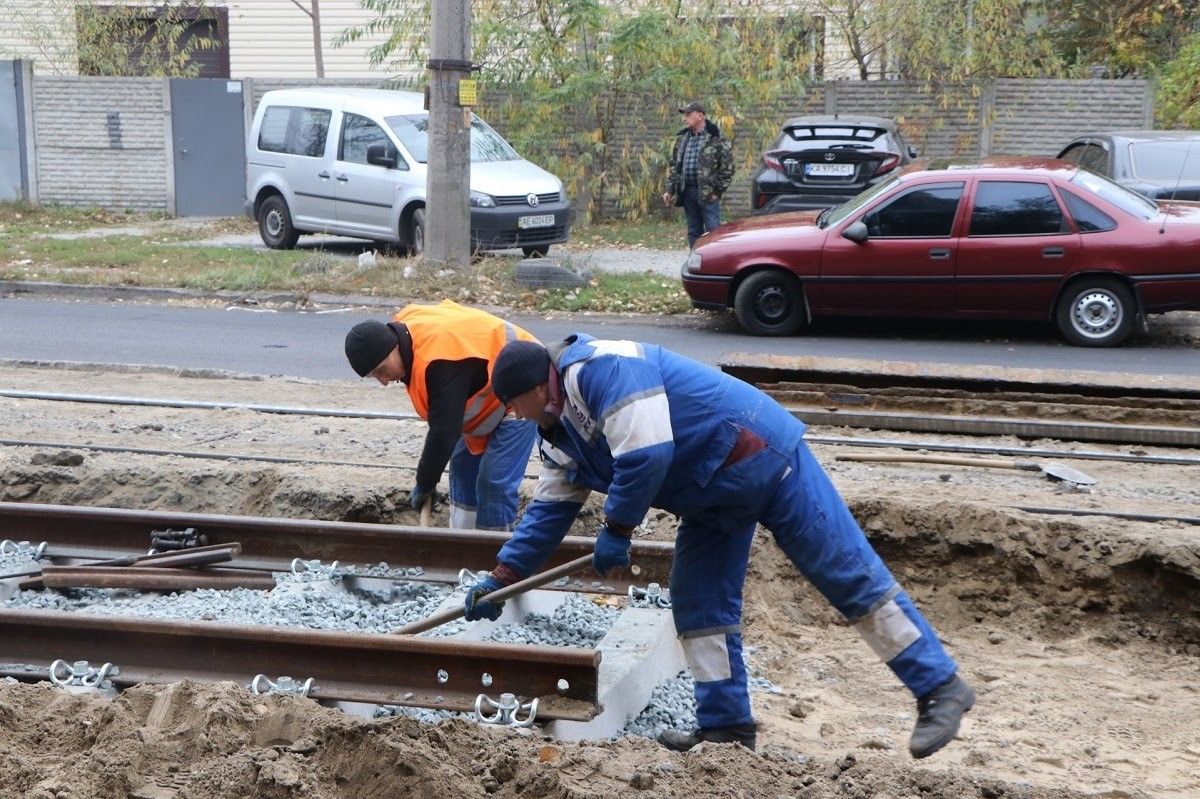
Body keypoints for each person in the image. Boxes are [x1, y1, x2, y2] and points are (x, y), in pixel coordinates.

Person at [462, 334, 975, 759]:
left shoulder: (602, 369)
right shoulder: (555, 434)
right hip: (710, 499)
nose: (512, 415)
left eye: (513, 404)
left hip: (763, 457)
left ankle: (938, 686)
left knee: (845, 574)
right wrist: (503, 577)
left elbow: (646, 452)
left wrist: (617, 529)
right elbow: (550, 512)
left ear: (535, 387)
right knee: (700, 606)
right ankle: (727, 728)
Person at [343, 300, 539, 531]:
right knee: (463, 472)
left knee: (493, 483)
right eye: (374, 376)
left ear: (393, 347)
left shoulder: (439, 362)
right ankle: (460, 548)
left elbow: (444, 432)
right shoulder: (404, 332)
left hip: (523, 387)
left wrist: (425, 482)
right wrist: (429, 476)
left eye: (381, 370)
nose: (384, 381)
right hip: (485, 396)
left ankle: (493, 559)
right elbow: (446, 419)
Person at [662, 101, 735, 248]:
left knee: (713, 231)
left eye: (689, 114)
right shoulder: (682, 139)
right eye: (685, 115)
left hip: (708, 194)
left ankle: (715, 265)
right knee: (694, 231)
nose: (685, 118)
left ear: (700, 116)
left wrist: (717, 192)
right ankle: (696, 263)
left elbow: (728, 169)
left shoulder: (716, 137)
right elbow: (675, 167)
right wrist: (670, 190)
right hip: (688, 192)